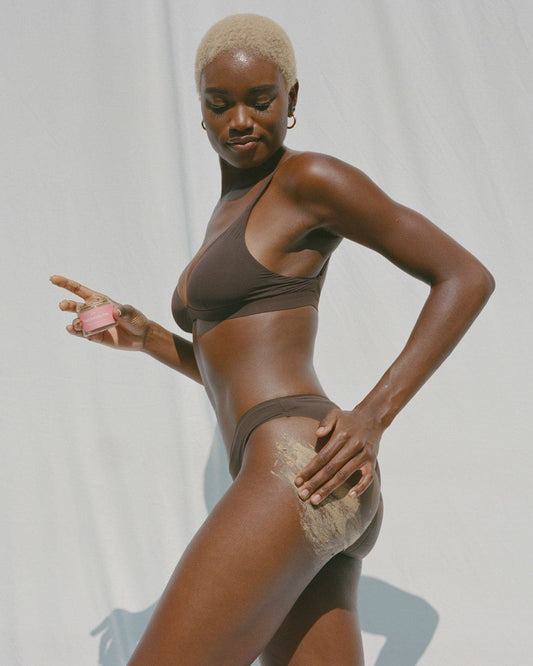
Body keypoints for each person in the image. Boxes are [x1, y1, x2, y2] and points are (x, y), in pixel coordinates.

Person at [51, 13, 494, 666]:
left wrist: (374, 414)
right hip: (312, 479)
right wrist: (149, 338)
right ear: (200, 112)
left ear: (292, 100)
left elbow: (464, 277)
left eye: (260, 101)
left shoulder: (307, 179)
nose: (239, 121)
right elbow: (236, 368)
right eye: (219, 104)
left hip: (297, 469)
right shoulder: (229, 209)